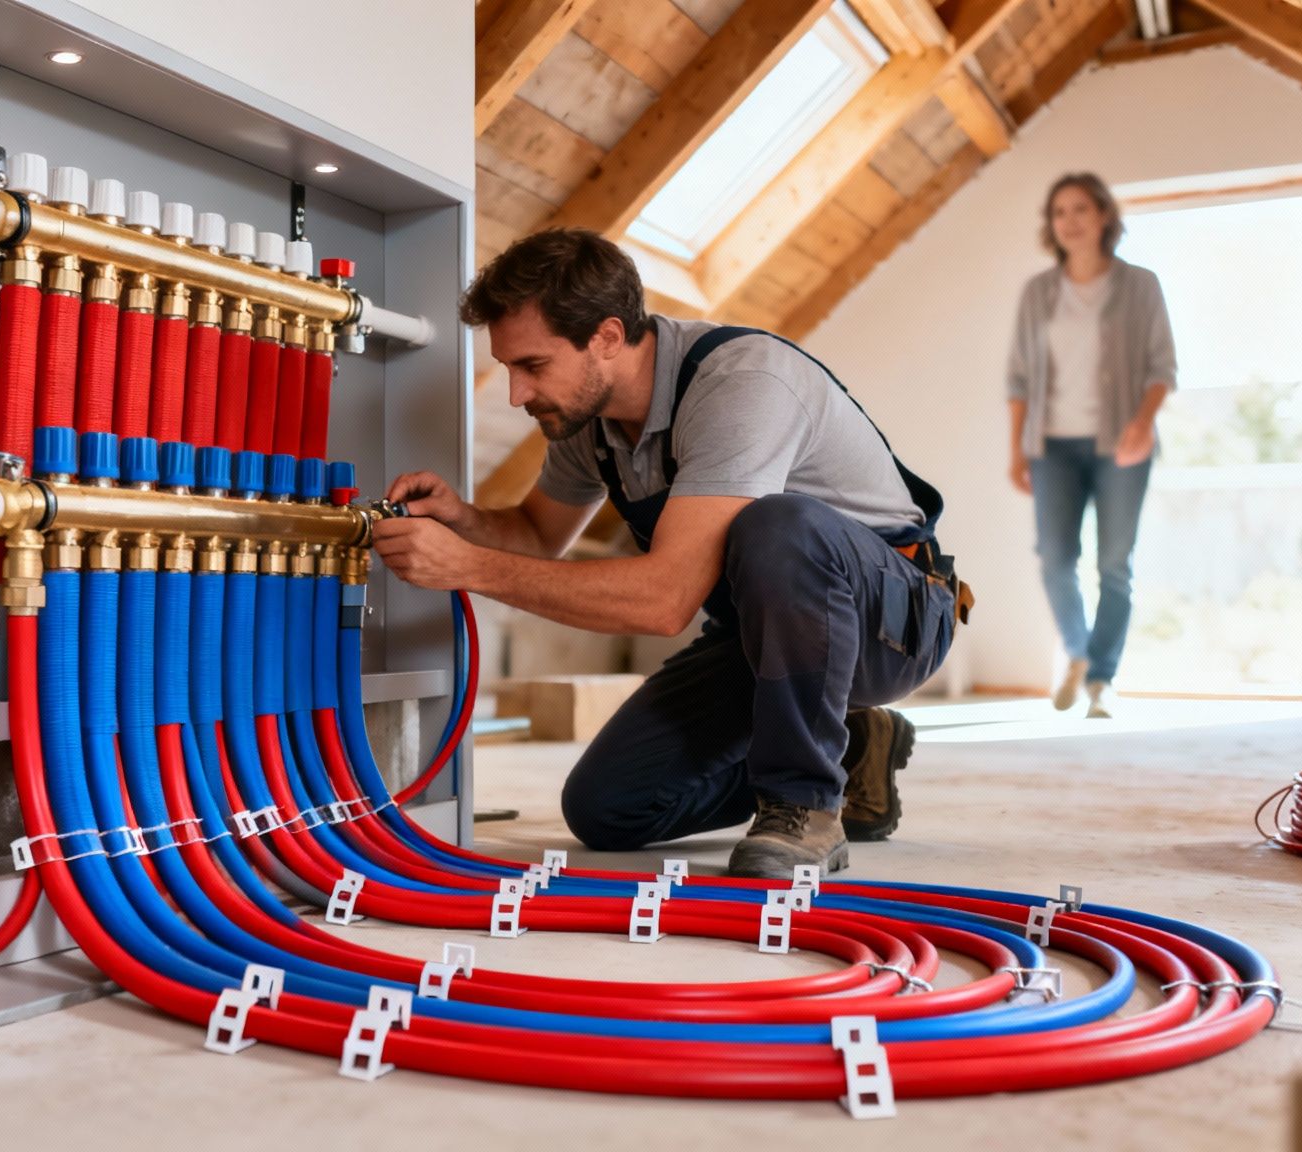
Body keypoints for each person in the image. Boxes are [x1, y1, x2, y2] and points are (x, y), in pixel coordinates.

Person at [370, 229, 968, 879]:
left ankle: (804, 803)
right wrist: (464, 521)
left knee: (779, 526)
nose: (516, 394)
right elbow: (539, 535)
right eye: (510, 368)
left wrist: (467, 567)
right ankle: (852, 754)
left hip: (892, 618)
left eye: (532, 366)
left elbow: (664, 602)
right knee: (608, 809)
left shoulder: (742, 384)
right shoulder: (588, 420)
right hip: (762, 639)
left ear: (604, 337)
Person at [1007, 173, 1176, 718]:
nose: (1070, 221)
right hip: (1051, 444)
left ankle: (1102, 680)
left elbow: (1161, 366)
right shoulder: (1038, 293)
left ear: (1103, 215)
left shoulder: (1141, 285)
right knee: (1055, 558)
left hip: (1121, 444)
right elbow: (1018, 378)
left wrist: (1143, 423)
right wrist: (1017, 448)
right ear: (1051, 225)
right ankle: (1078, 655)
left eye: (1080, 209)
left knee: (1115, 564)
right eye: (1059, 212)